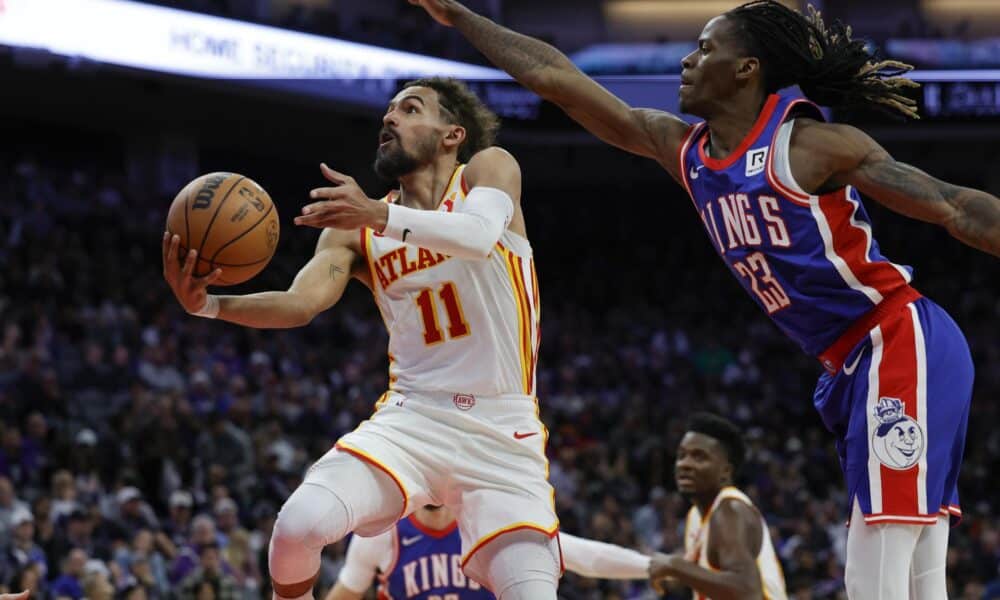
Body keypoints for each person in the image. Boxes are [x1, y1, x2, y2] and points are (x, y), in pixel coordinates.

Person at [408, 1, 1000, 598]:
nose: (687, 60)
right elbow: (557, 81)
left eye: (705, 48)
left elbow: (954, 207)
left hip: (897, 337)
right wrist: (460, 16)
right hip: (849, 362)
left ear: (746, 69)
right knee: (922, 569)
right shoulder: (685, 153)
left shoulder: (811, 147)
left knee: (876, 567)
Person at [163, 77, 560, 599]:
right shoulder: (355, 230)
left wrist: (379, 213)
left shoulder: (487, 170)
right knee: (297, 527)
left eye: (410, 109)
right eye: (388, 110)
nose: (389, 118)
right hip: (413, 417)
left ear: (451, 134)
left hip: (503, 428)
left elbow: (478, 236)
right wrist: (210, 305)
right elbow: (300, 303)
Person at [324, 504, 652, 600]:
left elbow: (579, 554)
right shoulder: (383, 532)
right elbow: (345, 593)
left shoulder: (489, 523)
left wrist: (652, 567)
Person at [647, 413, 786, 599]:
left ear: (726, 472)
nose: (684, 464)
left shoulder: (730, 511)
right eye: (681, 455)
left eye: (699, 457)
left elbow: (748, 592)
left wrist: (676, 566)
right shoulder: (695, 516)